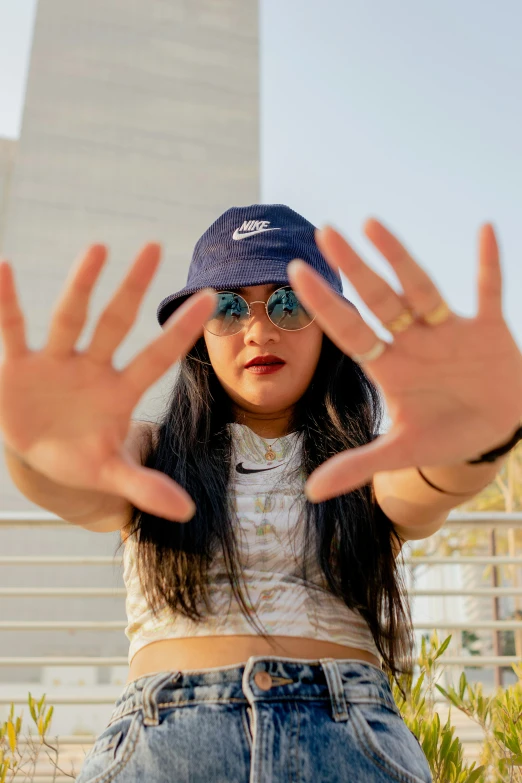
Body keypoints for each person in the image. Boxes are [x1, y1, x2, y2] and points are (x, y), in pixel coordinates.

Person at [1, 203, 522, 782]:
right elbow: (80, 482)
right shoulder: (149, 450)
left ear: (330, 325)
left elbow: (428, 484)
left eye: (289, 302)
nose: (258, 329)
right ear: (198, 334)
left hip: (350, 744)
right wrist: (38, 454)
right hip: (162, 749)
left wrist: (476, 442)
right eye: (226, 306)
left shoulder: (371, 461)